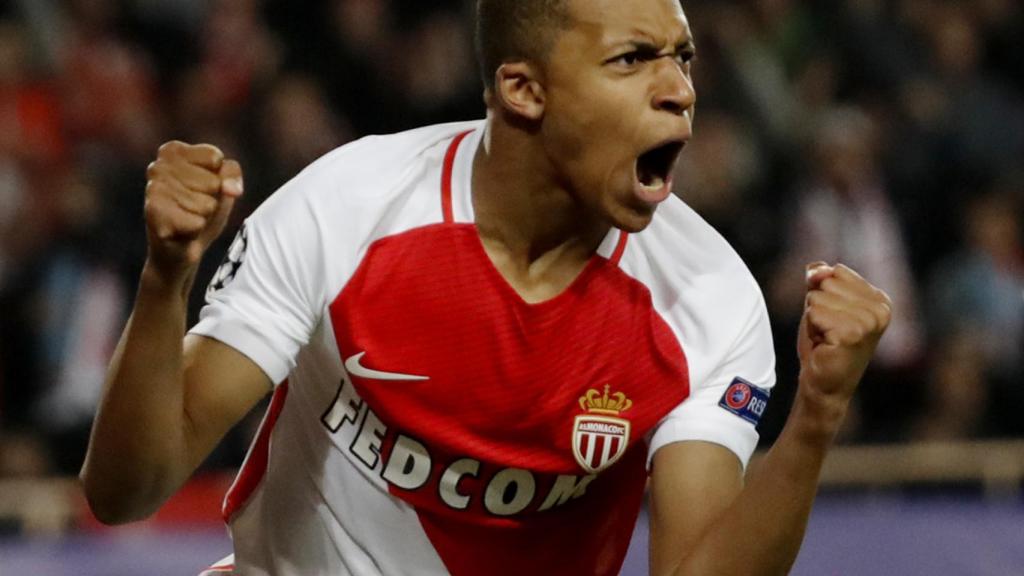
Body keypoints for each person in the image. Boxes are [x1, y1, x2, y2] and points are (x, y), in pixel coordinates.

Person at [81, 1, 892, 575]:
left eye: (680, 57)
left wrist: (816, 419)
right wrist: (166, 279)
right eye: (631, 59)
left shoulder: (708, 301)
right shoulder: (347, 211)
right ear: (524, 90)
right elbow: (126, 491)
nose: (678, 88)